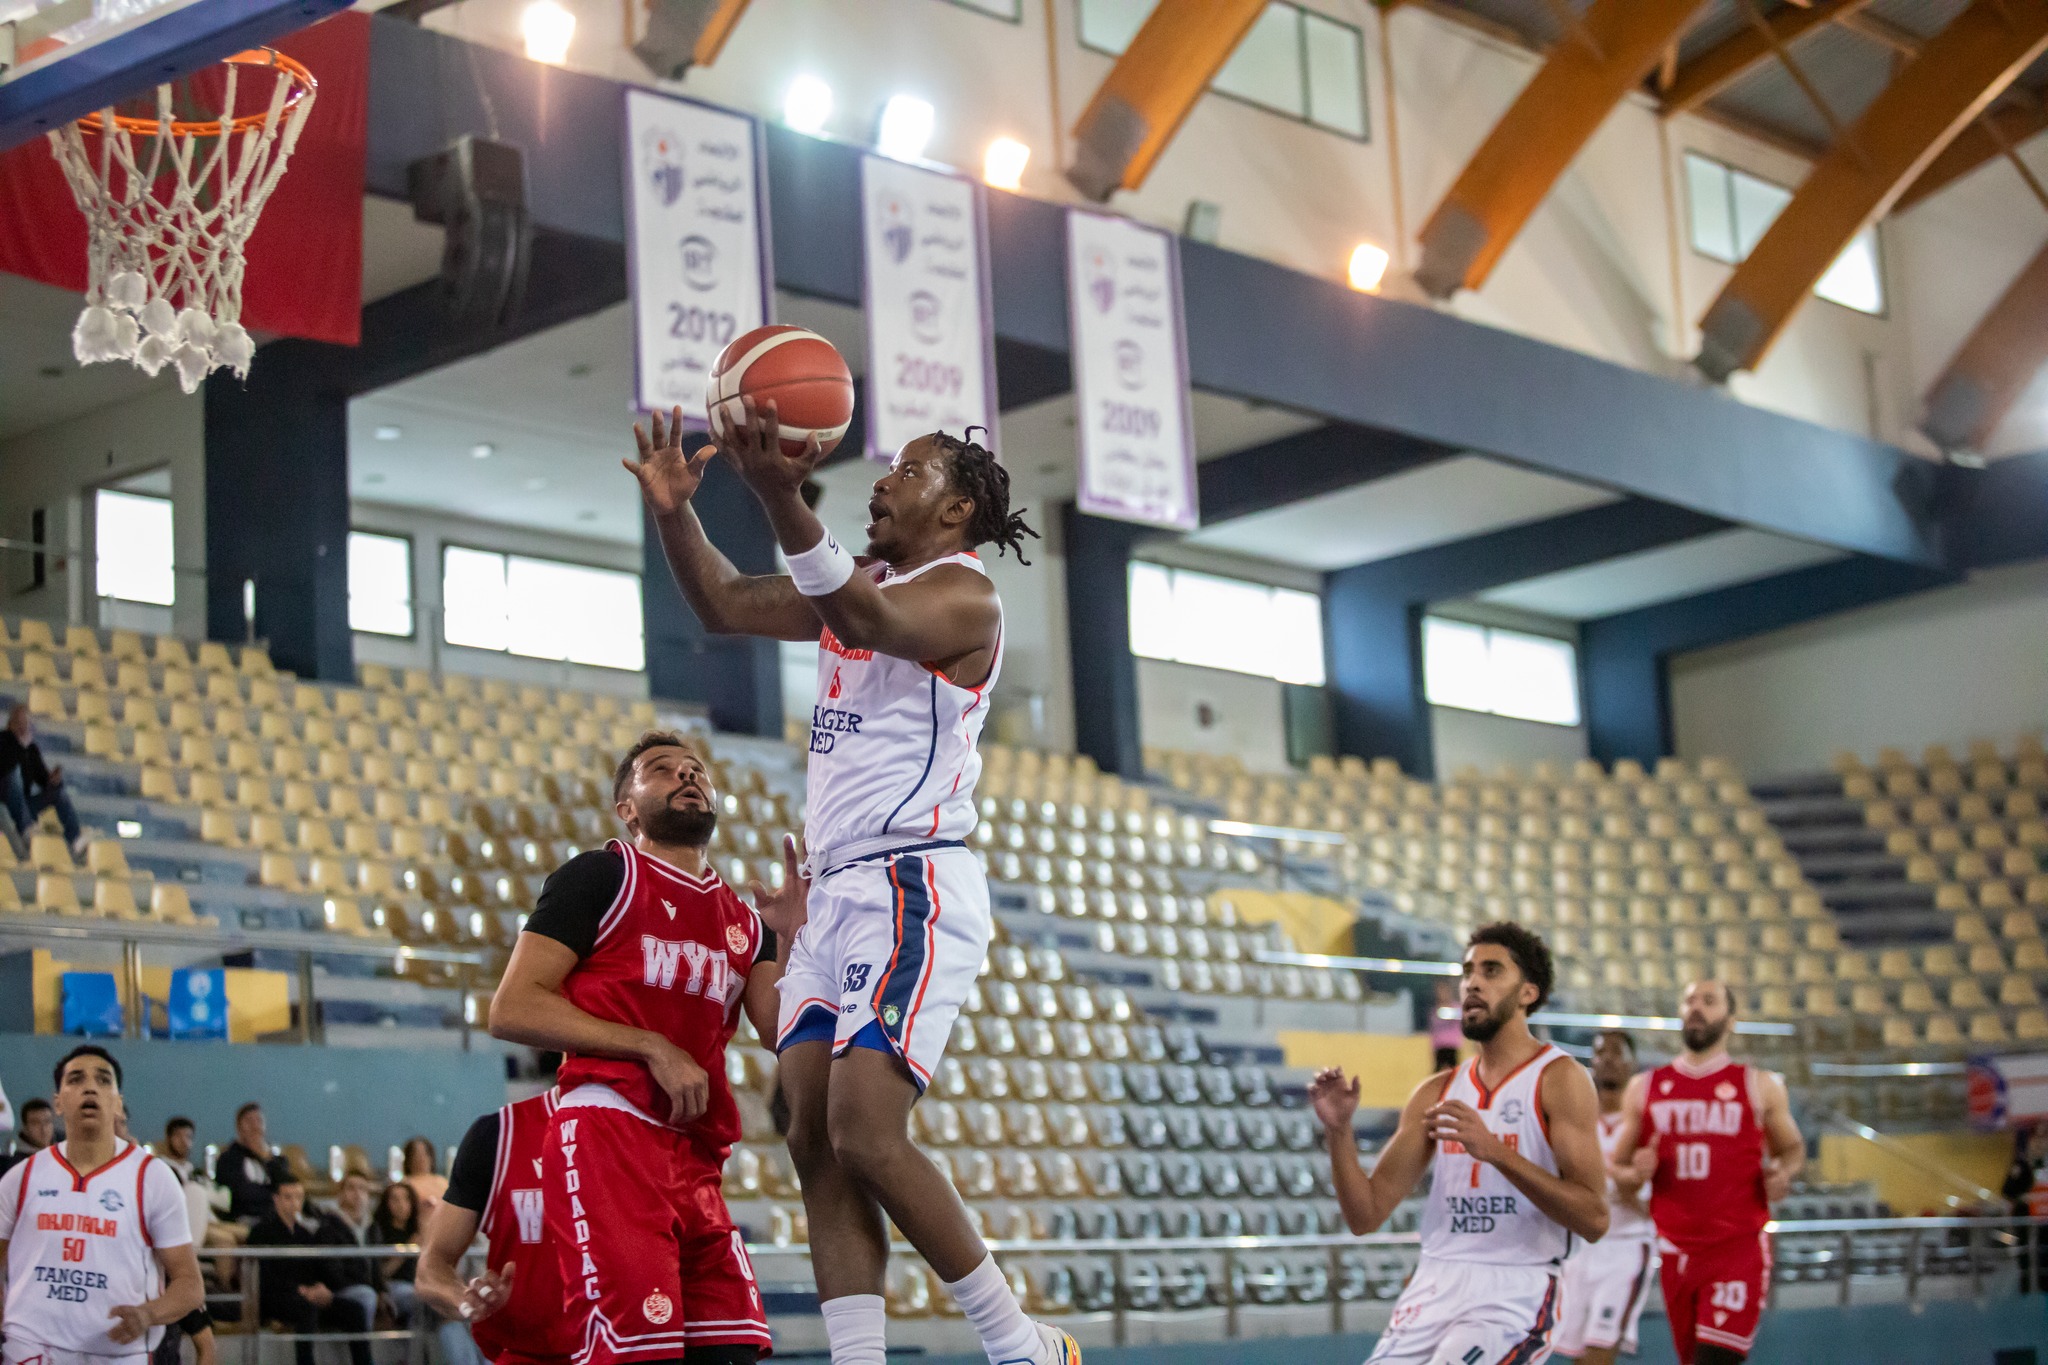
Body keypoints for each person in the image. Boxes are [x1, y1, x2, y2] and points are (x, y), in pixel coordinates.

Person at [631, 403, 1068, 1365]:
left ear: (955, 510)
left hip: (913, 881)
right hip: (834, 892)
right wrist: (673, 514)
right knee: (812, 1135)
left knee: (868, 1129)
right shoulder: (856, 582)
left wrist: (778, 490)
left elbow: (863, 618)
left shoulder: (964, 597)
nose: (882, 481)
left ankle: (1021, 1342)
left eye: (906, 474)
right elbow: (725, 603)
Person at [489, 732, 789, 1364]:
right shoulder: (602, 875)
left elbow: (784, 1032)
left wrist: (799, 941)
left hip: (697, 1155)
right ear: (626, 808)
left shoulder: (746, 922)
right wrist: (650, 1045)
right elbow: (512, 1007)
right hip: (609, 1130)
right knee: (638, 1352)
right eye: (660, 771)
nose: (687, 777)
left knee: (732, 1350)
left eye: (696, 771)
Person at [1309, 923, 1608, 1365]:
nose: (1472, 983)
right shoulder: (1436, 1092)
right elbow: (1365, 1214)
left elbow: (1594, 1219)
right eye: (1468, 971)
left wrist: (1498, 1153)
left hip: (1514, 1286)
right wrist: (1339, 1131)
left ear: (1528, 993)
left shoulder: (1560, 1079)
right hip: (1435, 1280)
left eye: (1491, 971)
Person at [1613, 981, 1806, 1365]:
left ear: (1730, 1021)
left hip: (1736, 1248)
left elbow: (1792, 1148)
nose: (1696, 1007)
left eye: (1709, 1001)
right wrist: (1636, 1173)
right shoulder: (1644, 1088)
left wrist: (1783, 1172)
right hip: (1675, 1252)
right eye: (1689, 1000)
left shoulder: (1759, 1084)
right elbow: (1617, 1168)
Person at [0, 1044, 205, 1362]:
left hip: (119, 1353)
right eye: (76, 1079)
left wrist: (148, 1314)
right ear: (58, 1102)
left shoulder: (153, 1178)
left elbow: (190, 1285)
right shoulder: (21, 1178)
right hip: (30, 1350)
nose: (90, 1087)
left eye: (103, 1080)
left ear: (118, 1105)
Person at [415, 1088, 575, 1365]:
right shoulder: (500, 1133)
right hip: (528, 1355)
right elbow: (431, 1265)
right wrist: (466, 1298)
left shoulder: (654, 1130)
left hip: (635, 1351)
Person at [1555, 1031, 1659, 1364]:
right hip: (1580, 1247)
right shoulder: (1574, 1121)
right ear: (1592, 1064)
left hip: (1625, 1245)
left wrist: (1623, 1181)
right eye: (1601, 1052)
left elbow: (1651, 1203)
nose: (1609, 1059)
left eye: (1617, 1052)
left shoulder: (1649, 1125)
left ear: (1633, 1065)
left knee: (1601, 1351)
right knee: (1577, 1353)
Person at [245, 1175, 374, 1365]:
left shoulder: (304, 1234)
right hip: (275, 1297)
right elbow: (263, 1275)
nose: (294, 1203)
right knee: (307, 1309)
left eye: (298, 1197)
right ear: (276, 1199)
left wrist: (319, 1288)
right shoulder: (261, 1232)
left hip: (306, 1295)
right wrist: (299, 1290)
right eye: (288, 1197)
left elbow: (314, 1269)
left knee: (355, 1310)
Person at [2, 702, 86, 858]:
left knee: (59, 794)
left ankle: (75, 839)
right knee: (13, 776)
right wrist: (20, 747)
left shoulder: (31, 749)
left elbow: (42, 779)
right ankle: (27, 829)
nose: (23, 727)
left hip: (25, 805)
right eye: (19, 723)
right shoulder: (3, 741)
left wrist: (53, 781)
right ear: (10, 724)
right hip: (5, 803)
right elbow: (5, 767)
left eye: (25, 724)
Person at [214, 1102, 288, 1232]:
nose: (255, 1126)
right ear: (239, 1127)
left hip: (278, 1216)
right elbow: (242, 1194)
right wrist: (273, 1194)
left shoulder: (276, 1160)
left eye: (259, 1121)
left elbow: (286, 1188)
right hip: (246, 1217)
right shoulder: (228, 1159)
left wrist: (266, 1159)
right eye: (249, 1121)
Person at [371, 1181, 422, 1321]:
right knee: (419, 1300)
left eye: (406, 1199)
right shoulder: (378, 1232)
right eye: (395, 1199)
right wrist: (407, 1249)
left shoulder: (418, 1231)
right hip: (394, 1285)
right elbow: (382, 1272)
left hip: (417, 1283)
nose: (401, 1204)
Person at [1, 1097, 53, 1174]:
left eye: (47, 1121)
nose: (43, 1129)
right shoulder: (16, 1166)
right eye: (35, 1123)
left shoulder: (64, 1155)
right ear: (25, 1128)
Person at [401, 1136, 449, 1220]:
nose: (421, 1159)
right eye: (416, 1155)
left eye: (425, 1154)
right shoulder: (404, 1185)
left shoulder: (442, 1182)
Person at [154, 1117, 198, 1182]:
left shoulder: (192, 1171)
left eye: (188, 1136)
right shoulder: (160, 1167)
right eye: (178, 1136)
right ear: (168, 1139)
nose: (184, 1141)